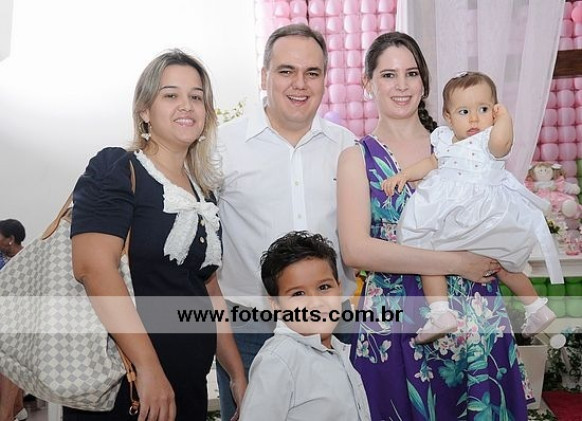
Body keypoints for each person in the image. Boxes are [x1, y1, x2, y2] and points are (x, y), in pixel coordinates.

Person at [337, 32, 532, 420]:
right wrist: (456, 262)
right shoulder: (355, 158)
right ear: (367, 83)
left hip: (475, 310)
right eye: (389, 75)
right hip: (395, 317)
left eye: (411, 73)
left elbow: (501, 214)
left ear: (424, 83)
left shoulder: (465, 145)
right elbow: (356, 251)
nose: (402, 85)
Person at [64, 49, 245, 421]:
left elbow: (209, 290)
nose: (187, 105)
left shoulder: (204, 195)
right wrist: (148, 368)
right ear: (144, 110)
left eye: (196, 97)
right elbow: (93, 269)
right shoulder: (117, 168)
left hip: (187, 388)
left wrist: (236, 374)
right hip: (127, 387)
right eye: (170, 95)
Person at [216, 23, 358, 420]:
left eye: (312, 72)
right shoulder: (221, 145)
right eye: (286, 71)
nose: (300, 84)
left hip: (335, 324)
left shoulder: (346, 146)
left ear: (325, 79)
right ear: (264, 76)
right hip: (251, 327)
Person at [381, 71, 559, 344]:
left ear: (494, 112)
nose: (475, 119)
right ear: (449, 117)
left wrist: (504, 119)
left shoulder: (489, 139)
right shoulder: (444, 140)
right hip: (464, 214)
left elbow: (501, 145)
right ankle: (535, 308)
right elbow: (431, 163)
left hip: (480, 214)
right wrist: (404, 174)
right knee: (493, 263)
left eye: (484, 109)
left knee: (432, 252)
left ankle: (441, 313)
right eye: (464, 112)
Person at [239, 231, 371, 421]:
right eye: (298, 294)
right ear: (276, 304)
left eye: (324, 287)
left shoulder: (339, 351)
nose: (315, 303)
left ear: (339, 288)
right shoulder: (277, 362)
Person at [0, 219, 28, 421]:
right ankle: (17, 409)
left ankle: (7, 415)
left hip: (19, 323)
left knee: (9, 367)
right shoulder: (1, 259)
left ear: (10, 239)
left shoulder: (28, 260)